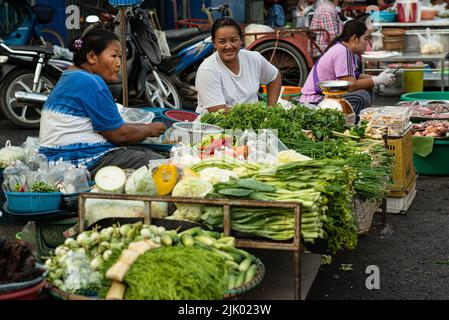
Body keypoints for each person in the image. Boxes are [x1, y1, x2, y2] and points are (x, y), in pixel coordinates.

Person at [39, 29, 166, 177]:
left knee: (142, 150)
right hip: (80, 161)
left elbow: (111, 128)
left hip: (56, 161)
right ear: (92, 57)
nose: (119, 63)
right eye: (114, 56)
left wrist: (145, 127)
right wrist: (149, 130)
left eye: (120, 57)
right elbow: (119, 135)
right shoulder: (91, 82)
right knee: (160, 162)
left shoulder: (70, 75)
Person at [299, 19, 395, 115]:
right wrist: (378, 80)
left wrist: (377, 77)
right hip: (315, 100)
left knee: (367, 88)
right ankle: (351, 126)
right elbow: (351, 86)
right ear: (354, 38)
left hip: (326, 96)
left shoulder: (345, 49)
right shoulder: (342, 52)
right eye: (365, 38)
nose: (367, 43)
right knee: (361, 97)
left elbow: (355, 76)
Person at [195, 17, 282, 115]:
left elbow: (274, 77)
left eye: (233, 40)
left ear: (241, 40)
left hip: (252, 123)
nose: (228, 46)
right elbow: (218, 110)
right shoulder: (208, 70)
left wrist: (271, 110)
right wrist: (257, 114)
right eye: (222, 41)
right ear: (214, 43)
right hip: (215, 125)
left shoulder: (253, 58)